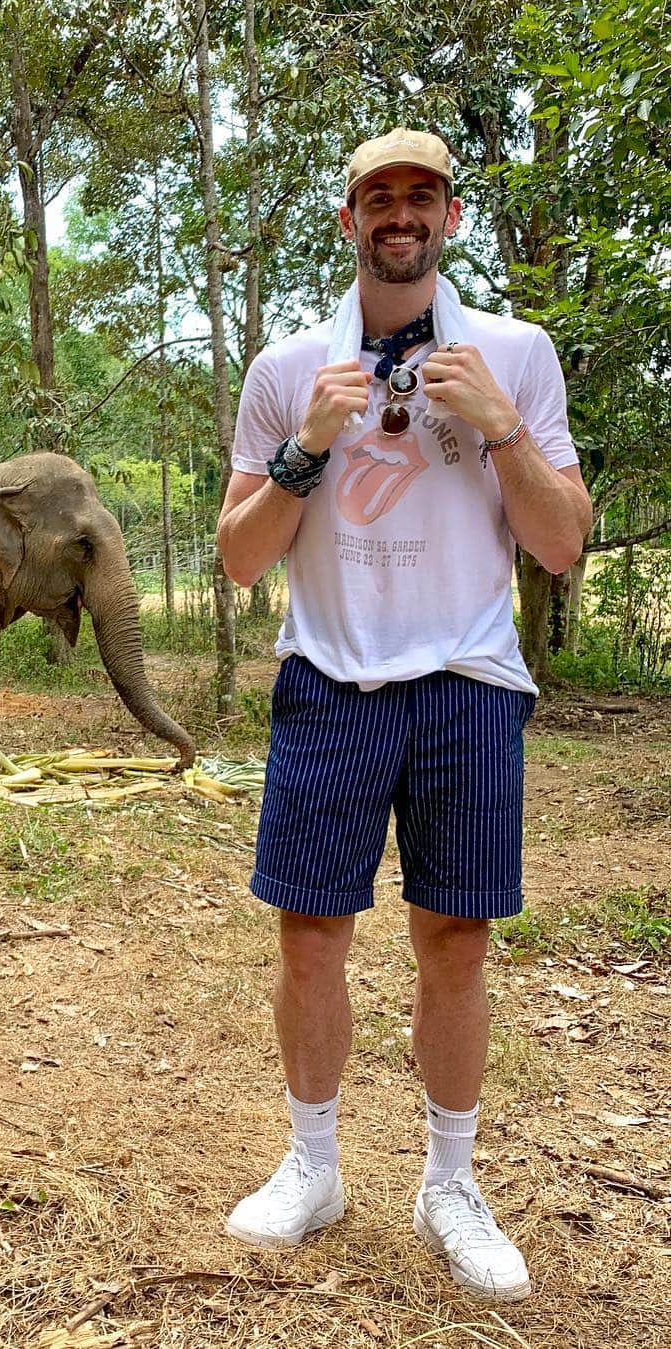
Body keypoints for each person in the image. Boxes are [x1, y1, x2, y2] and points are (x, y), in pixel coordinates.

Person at [215, 128, 592, 1303]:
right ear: (349, 220)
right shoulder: (288, 368)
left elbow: (564, 540)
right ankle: (314, 1165)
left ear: (451, 217)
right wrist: (305, 445)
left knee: (456, 939)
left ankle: (450, 1181)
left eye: (420, 196)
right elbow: (237, 559)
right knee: (310, 932)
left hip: (470, 682)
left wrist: (501, 424)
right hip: (329, 677)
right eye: (379, 197)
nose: (400, 215)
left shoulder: (516, 355)